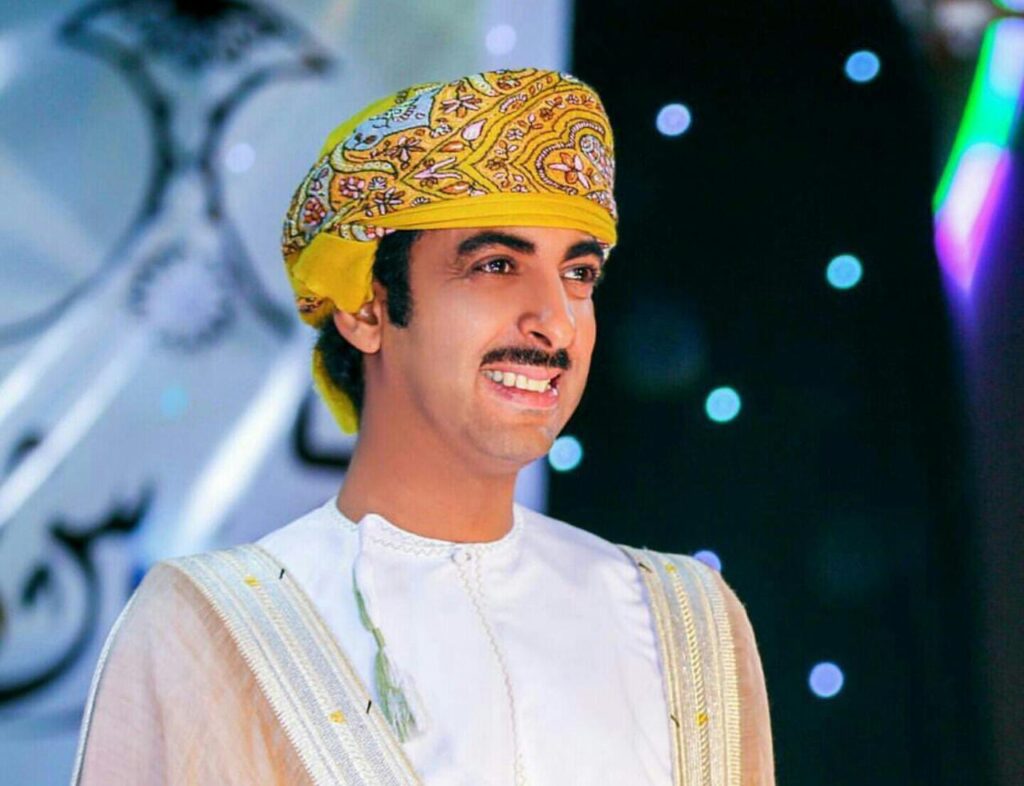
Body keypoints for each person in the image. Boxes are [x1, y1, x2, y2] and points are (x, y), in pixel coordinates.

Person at [72, 67, 775, 785]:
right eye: (497, 265)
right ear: (365, 309)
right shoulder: (209, 630)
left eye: (579, 274)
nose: (556, 322)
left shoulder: (686, 625)